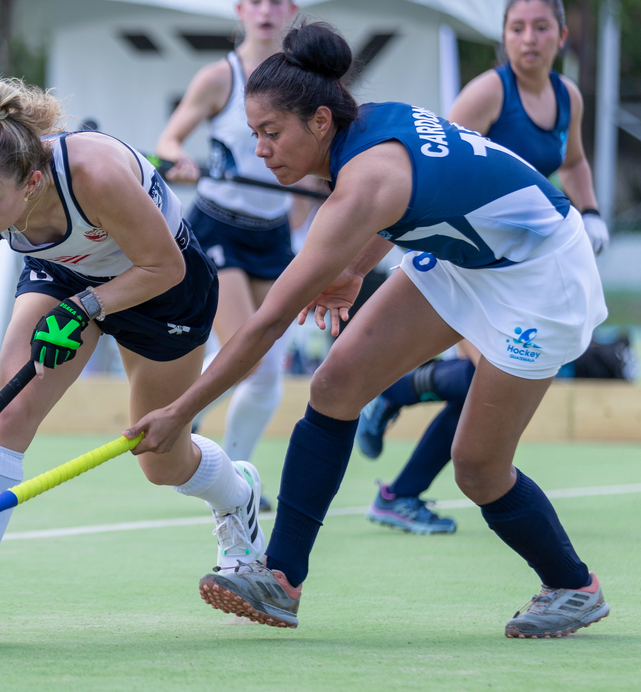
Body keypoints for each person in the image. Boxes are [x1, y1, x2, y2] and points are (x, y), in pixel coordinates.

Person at [127, 21, 610, 639]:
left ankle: (573, 585)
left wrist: (181, 413)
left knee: (477, 467)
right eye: (254, 134)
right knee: (334, 386)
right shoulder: (369, 126)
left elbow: (268, 323)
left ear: (320, 121)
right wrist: (355, 270)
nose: (261, 150)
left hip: (544, 274)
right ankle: (280, 579)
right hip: (466, 253)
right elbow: (408, 201)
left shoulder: (359, 185)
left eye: (272, 133)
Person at [0, 78, 265, 648]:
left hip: (162, 287)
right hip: (66, 275)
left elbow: (165, 267)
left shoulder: (93, 174)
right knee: (3, 417)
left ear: (31, 183)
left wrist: (83, 309)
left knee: (160, 460)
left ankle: (236, 494)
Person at [355, 0, 611, 537]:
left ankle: (399, 483)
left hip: (517, 271)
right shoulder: (489, 93)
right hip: (462, 260)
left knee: (485, 387)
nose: (528, 38)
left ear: (561, 36)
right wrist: (371, 253)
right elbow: (425, 167)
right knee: (483, 379)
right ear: (504, 37)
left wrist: (589, 211)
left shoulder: (568, 97)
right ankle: (396, 409)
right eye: (517, 28)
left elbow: (573, 161)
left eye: (540, 27)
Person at [155, 0, 299, 502]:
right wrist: (179, 161)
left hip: (273, 234)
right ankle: (198, 433)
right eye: (256, 1)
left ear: (293, 9)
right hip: (217, 226)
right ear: (240, 10)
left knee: (268, 371)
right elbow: (170, 141)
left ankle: (238, 470)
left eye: (277, 1)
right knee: (250, 356)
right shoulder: (220, 77)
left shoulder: (304, 79)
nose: (266, 11)